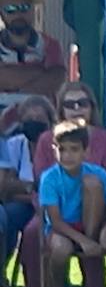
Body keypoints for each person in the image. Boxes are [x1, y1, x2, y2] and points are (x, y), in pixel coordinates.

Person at [19, 81, 106, 287]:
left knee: (93, 191)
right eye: (69, 104)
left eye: (82, 103)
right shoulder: (48, 140)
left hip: (95, 213)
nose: (77, 109)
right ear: (60, 108)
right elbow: (43, 187)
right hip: (54, 211)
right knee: (33, 232)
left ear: (92, 107)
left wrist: (102, 230)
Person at [36, 120, 106, 287]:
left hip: (91, 224)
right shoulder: (50, 178)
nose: (68, 156)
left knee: (92, 183)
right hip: (62, 229)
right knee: (60, 249)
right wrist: (82, 241)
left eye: (74, 149)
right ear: (54, 150)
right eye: (62, 150)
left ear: (86, 151)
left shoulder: (98, 172)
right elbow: (54, 220)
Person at [0, 94, 54, 268]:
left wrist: (23, 188)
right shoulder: (15, 144)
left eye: (39, 118)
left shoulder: (57, 146)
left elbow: (51, 188)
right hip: (21, 205)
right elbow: (6, 187)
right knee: (6, 215)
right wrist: (32, 188)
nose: (33, 122)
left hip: (50, 207)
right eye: (28, 118)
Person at [0, 0, 64, 99]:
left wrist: (9, 78)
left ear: (33, 10)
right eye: (11, 8)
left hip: (40, 116)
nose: (18, 14)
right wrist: (39, 71)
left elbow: (55, 81)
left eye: (24, 7)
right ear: (1, 13)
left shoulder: (50, 45)